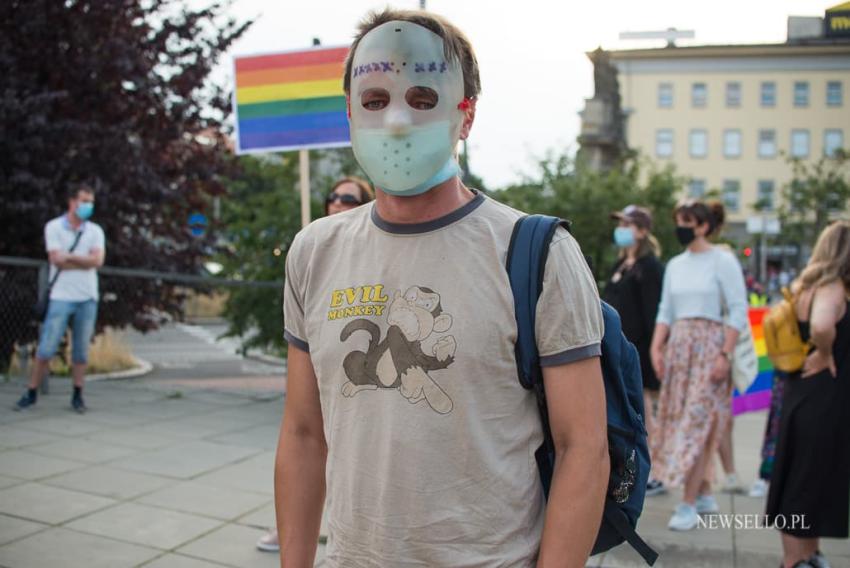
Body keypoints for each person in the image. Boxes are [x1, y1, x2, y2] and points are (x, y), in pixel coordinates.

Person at [275, 9, 608, 567]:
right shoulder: (314, 252)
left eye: (423, 99)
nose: (398, 121)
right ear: (351, 114)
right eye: (375, 100)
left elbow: (585, 448)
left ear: (466, 115)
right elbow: (305, 434)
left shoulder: (537, 254)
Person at [256, 175, 374, 553]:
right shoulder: (312, 249)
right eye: (333, 196)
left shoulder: (377, 255)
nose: (339, 202)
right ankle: (291, 529)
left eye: (349, 198)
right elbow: (302, 435)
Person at [649, 199, 748, 531]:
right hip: (680, 348)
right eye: (678, 219)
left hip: (710, 348)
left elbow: (737, 310)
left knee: (698, 423)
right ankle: (704, 492)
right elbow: (666, 310)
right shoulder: (676, 264)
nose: (681, 226)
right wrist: (657, 346)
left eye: (686, 221)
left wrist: (725, 354)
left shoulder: (723, 261)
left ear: (704, 225)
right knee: (680, 420)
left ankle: (688, 502)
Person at [766, 220, 850, 568]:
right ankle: (796, 561)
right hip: (823, 398)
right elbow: (821, 325)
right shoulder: (831, 287)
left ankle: (808, 555)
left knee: (801, 479)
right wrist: (826, 352)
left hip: (802, 393)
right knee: (806, 482)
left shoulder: (806, 285)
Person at [15, 183, 105, 413]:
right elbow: (56, 259)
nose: (88, 206)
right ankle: (31, 391)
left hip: (87, 297)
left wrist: (71, 257)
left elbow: (97, 261)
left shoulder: (95, 231)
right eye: (84, 201)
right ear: (72, 201)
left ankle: (77, 394)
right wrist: (83, 259)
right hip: (61, 296)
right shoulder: (54, 227)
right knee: (46, 347)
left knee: (81, 351)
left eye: (91, 202)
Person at [602, 205, 664, 494]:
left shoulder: (650, 267)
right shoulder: (619, 266)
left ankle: (653, 471)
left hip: (639, 349)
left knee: (645, 410)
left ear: (642, 230)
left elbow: (653, 313)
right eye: (621, 223)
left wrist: (656, 350)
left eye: (628, 224)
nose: (622, 229)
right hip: (616, 348)